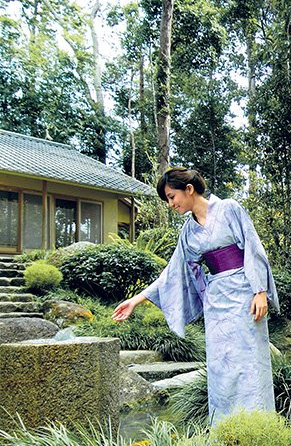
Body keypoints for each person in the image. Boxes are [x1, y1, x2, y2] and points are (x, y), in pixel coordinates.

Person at [113, 167, 278, 425]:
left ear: (189, 189)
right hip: (217, 302)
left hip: (245, 295)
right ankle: (225, 429)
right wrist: (136, 300)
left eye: (171, 196)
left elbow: (253, 247)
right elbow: (174, 271)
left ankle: (258, 425)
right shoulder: (188, 231)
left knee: (249, 364)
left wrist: (260, 291)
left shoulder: (229, 209)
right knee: (221, 368)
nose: (171, 204)